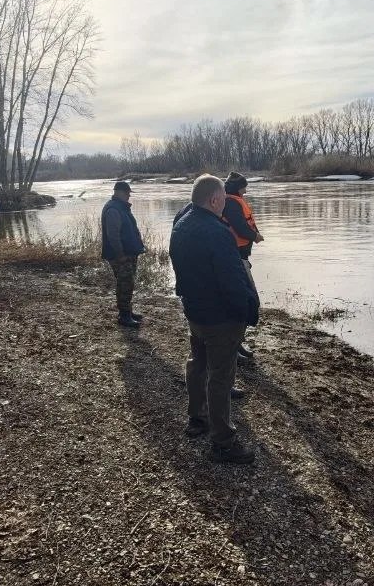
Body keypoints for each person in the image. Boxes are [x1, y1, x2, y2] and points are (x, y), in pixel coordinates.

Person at [169, 174, 260, 465]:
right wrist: (244, 311)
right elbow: (231, 280)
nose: (225, 203)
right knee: (221, 377)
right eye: (222, 198)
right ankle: (222, 442)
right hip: (220, 318)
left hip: (195, 312)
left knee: (198, 364)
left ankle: (197, 417)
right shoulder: (217, 231)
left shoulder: (180, 224)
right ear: (213, 200)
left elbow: (180, 272)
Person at [222, 171, 263, 361]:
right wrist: (254, 236)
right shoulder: (231, 202)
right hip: (235, 256)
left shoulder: (233, 199)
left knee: (245, 300)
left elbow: (244, 223)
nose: (246, 189)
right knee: (247, 300)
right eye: (245, 186)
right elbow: (239, 225)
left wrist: (255, 233)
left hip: (240, 255)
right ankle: (234, 345)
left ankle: (237, 343)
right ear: (239, 187)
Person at [100, 180, 147, 327]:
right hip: (121, 255)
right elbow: (113, 235)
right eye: (127, 193)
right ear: (119, 192)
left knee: (127, 283)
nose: (129, 196)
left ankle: (127, 311)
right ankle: (124, 316)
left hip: (128, 253)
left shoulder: (120, 207)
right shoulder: (113, 209)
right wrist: (120, 255)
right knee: (124, 283)